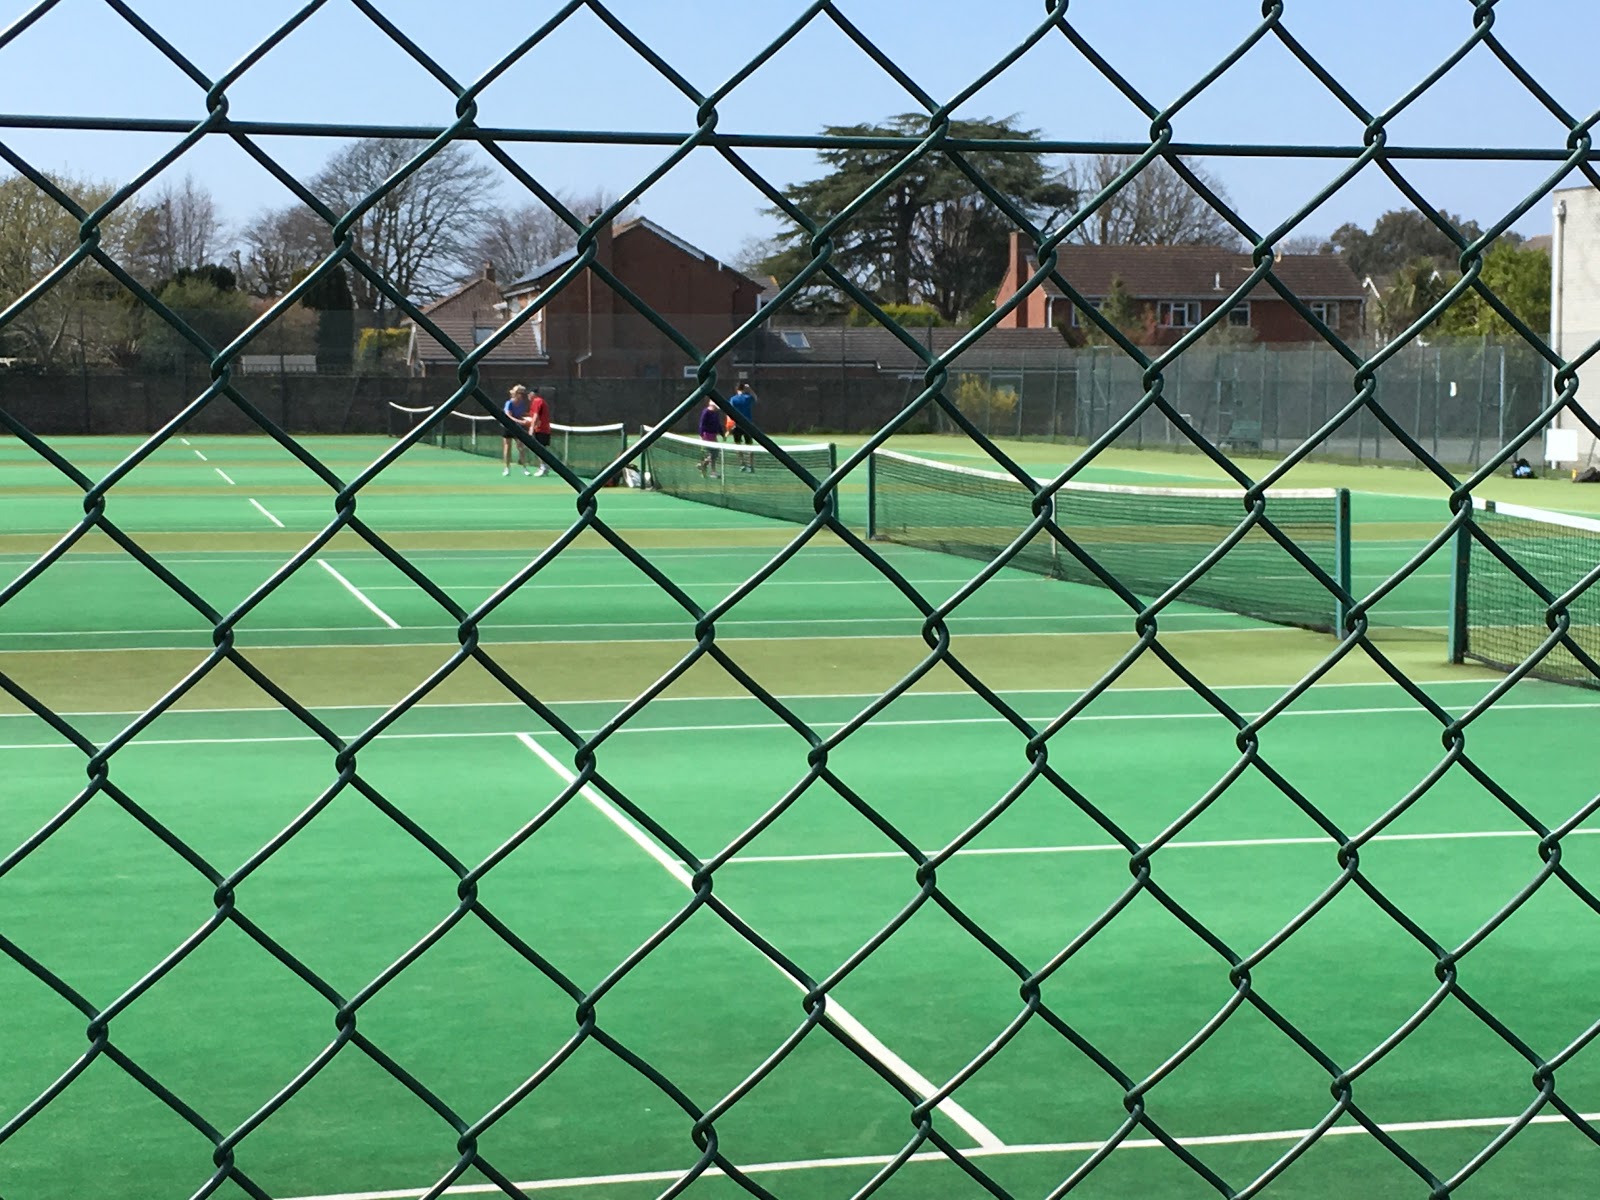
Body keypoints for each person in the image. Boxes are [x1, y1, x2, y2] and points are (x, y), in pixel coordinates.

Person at [502, 384, 531, 476]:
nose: (522, 395)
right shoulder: (509, 403)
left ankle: (524, 468)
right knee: (507, 447)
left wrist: (529, 418)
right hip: (508, 427)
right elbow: (509, 416)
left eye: (523, 393)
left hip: (518, 428)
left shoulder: (522, 403)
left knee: (521, 448)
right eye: (520, 393)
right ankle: (507, 468)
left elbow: (521, 414)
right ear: (516, 393)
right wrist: (520, 421)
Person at [727, 381, 757, 472]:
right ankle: (750, 465)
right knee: (749, 445)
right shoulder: (748, 398)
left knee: (737, 445)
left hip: (737, 425)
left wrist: (730, 425)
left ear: (736, 389)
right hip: (747, 425)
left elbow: (730, 411)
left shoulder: (733, 399)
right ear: (744, 389)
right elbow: (755, 398)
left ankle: (742, 464)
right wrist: (750, 389)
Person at [526, 386, 553, 476]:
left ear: (533, 394)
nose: (528, 396)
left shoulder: (537, 401)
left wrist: (531, 428)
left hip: (542, 429)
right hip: (541, 429)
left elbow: (536, 416)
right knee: (540, 449)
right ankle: (544, 467)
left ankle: (543, 467)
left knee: (540, 449)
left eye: (529, 394)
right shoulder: (536, 402)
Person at [697, 396, 724, 478]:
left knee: (715, 453)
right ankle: (712, 471)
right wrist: (701, 435)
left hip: (713, 435)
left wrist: (722, 434)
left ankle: (704, 465)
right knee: (713, 453)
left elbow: (718, 424)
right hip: (707, 435)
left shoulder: (715, 413)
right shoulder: (706, 412)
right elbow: (702, 424)